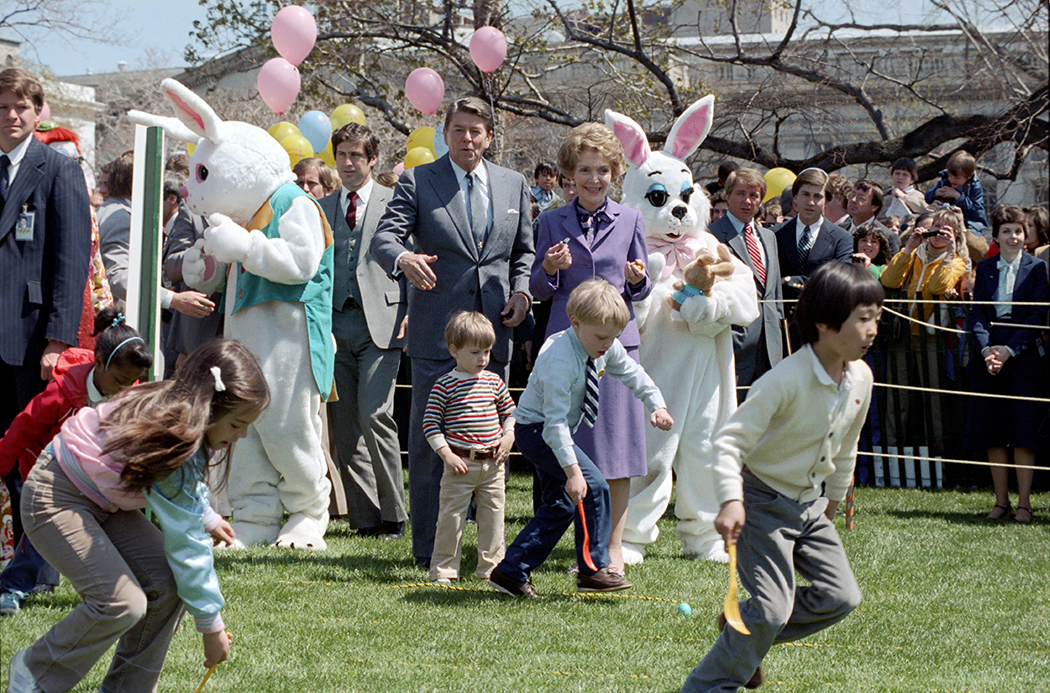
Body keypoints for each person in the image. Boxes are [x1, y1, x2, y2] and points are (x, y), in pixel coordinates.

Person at [5, 339, 267, 693]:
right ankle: (36, 670)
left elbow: (179, 488)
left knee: (166, 584)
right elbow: (187, 545)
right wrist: (211, 626)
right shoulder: (172, 431)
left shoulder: (181, 420)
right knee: (122, 603)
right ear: (210, 408)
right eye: (238, 424)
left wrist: (206, 515)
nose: (243, 434)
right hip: (55, 493)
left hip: (101, 499)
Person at [681, 261, 879, 693]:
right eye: (863, 319)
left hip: (810, 507)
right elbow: (728, 442)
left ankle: (742, 632)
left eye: (877, 318)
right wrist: (732, 500)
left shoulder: (861, 377)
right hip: (762, 503)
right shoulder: (784, 380)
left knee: (841, 597)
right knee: (770, 610)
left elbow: (847, 443)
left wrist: (834, 498)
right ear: (825, 323)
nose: (873, 329)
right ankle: (708, 686)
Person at [370, 96, 534, 569]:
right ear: (445, 133)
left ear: (489, 136)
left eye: (476, 131)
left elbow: (523, 251)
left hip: (493, 336)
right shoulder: (419, 180)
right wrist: (403, 259)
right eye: (459, 129)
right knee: (430, 442)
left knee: (490, 443)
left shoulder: (513, 183)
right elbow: (385, 238)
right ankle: (428, 550)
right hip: (436, 335)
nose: (467, 138)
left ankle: (488, 554)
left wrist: (522, 293)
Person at [488, 279, 673, 597]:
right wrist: (573, 473)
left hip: (553, 432)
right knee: (594, 486)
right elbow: (554, 425)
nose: (608, 344)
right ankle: (593, 569)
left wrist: (657, 404)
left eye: (613, 336)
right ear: (575, 323)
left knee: (560, 505)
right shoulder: (560, 361)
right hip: (538, 431)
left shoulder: (601, 342)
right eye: (602, 336)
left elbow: (631, 372)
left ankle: (510, 572)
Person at [530, 122, 650, 574]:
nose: (594, 179)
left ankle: (612, 549)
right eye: (584, 170)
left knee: (617, 454)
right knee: (570, 451)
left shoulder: (632, 219)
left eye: (602, 170)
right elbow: (539, 289)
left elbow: (640, 290)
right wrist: (549, 267)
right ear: (568, 174)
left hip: (617, 349)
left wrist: (638, 281)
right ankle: (579, 549)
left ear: (615, 173)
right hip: (565, 343)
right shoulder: (549, 221)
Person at [0, 305, 151, 617]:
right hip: (51, 474)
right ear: (98, 364)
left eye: (133, 382)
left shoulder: (129, 396)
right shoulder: (61, 391)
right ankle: (12, 587)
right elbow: (20, 430)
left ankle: (123, 585)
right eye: (121, 380)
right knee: (46, 527)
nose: (126, 389)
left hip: (99, 481)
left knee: (107, 531)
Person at [0, 68, 92, 556]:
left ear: (37, 113)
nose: (11, 115)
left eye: (21, 107)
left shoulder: (58, 168)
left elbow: (72, 260)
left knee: (31, 461)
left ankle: (35, 567)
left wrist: (59, 341)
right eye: (3, 107)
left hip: (33, 340)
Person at [319, 123, 407, 538]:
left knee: (375, 415)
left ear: (373, 159)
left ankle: (395, 514)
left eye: (357, 155)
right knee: (345, 425)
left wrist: (410, 310)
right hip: (335, 326)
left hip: (383, 323)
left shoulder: (396, 201)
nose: (349, 163)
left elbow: (414, 260)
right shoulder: (320, 206)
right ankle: (365, 518)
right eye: (342, 156)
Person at [964, 206, 1048, 524]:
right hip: (989, 359)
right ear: (996, 236)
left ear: (1025, 236)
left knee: (1024, 432)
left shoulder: (1037, 268)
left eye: (1018, 231)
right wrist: (987, 351)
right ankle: (1001, 502)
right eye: (1006, 231)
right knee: (993, 432)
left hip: (1023, 355)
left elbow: (1038, 315)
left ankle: (1024, 504)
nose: (1012, 236)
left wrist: (1009, 350)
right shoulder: (984, 269)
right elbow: (978, 315)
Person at [424, 311, 516, 584]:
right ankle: (443, 570)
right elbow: (430, 424)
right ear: (454, 350)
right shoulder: (445, 385)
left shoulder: (494, 382)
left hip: (493, 464)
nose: (483, 359)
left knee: (494, 521)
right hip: (460, 465)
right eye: (475, 352)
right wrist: (447, 455)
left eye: (487, 351)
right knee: (451, 521)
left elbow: (510, 413)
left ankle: (491, 570)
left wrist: (509, 436)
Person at [880, 208, 967, 454]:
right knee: (897, 399)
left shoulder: (957, 261)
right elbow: (889, 281)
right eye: (936, 225)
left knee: (934, 401)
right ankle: (890, 453)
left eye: (945, 229)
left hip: (932, 338)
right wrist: (909, 248)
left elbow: (940, 285)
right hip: (902, 335)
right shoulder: (915, 253)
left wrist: (950, 252)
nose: (938, 232)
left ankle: (936, 455)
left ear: (955, 235)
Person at [707, 167, 784, 397]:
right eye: (741, 193)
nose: (747, 201)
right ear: (727, 195)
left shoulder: (769, 237)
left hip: (770, 347)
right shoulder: (711, 235)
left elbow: (775, 292)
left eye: (754, 195)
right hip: (732, 344)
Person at [924, 149, 988, 235]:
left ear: (969, 176)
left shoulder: (974, 186)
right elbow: (927, 197)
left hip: (968, 222)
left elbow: (976, 211)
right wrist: (935, 193)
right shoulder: (945, 180)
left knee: (972, 235)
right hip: (945, 217)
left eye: (957, 178)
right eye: (950, 176)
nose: (952, 180)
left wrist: (958, 196)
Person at [844, 179, 900, 255]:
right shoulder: (840, 230)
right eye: (852, 195)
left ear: (874, 207)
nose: (853, 200)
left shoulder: (887, 236)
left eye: (861, 198)